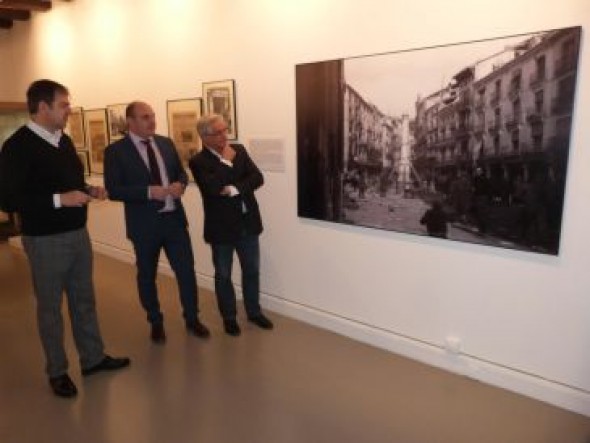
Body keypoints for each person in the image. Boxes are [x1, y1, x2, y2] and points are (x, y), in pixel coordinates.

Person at [0, 79, 130, 398]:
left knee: (84, 300)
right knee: (50, 308)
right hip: (44, 240)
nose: (69, 109)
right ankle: (57, 371)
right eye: (64, 104)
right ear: (43, 107)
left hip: (77, 234)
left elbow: (70, 182)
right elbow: (8, 199)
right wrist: (60, 199)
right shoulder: (17, 146)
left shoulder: (64, 141)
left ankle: (93, 358)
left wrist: (88, 191)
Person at [104, 101, 209, 343]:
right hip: (144, 226)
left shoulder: (165, 143)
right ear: (130, 122)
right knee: (147, 275)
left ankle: (192, 318)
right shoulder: (116, 152)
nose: (152, 121)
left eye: (152, 116)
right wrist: (148, 192)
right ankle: (155, 321)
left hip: (174, 221)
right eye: (144, 117)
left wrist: (180, 185)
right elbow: (114, 190)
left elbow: (181, 173)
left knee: (186, 272)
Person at [189, 114, 273, 336]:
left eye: (225, 130)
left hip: (247, 223)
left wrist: (235, 189)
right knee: (223, 275)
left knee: (252, 271)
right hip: (221, 228)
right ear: (204, 136)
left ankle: (254, 312)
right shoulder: (198, 162)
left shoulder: (240, 150)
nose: (224, 135)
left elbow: (257, 177)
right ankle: (229, 317)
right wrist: (226, 161)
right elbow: (213, 188)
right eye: (218, 132)